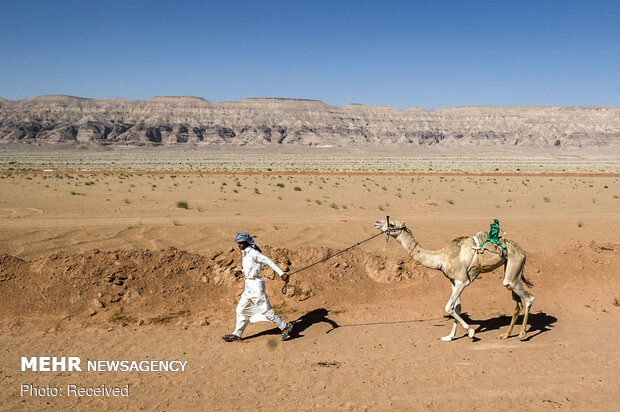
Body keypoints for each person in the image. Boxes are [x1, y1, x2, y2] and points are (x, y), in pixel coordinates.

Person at [221, 232, 294, 342]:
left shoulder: (254, 253)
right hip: (248, 286)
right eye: (238, 243)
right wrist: (241, 272)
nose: (238, 245)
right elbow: (251, 268)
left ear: (246, 242)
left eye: (240, 243)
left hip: (256, 285)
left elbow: (268, 261)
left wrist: (281, 273)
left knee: (265, 310)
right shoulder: (245, 253)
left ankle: (284, 326)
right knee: (241, 310)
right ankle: (237, 334)